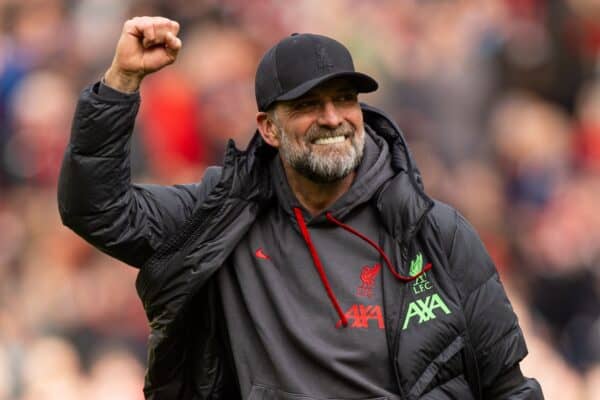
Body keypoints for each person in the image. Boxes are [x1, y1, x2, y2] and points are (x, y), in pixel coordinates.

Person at [58, 16, 544, 400]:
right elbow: (96, 208)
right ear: (268, 128)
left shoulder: (434, 231)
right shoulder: (218, 219)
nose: (332, 118)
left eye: (344, 99)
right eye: (309, 104)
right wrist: (122, 79)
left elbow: (508, 386)